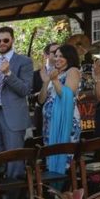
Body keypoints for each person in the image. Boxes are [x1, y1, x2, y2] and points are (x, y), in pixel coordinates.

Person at [0, 26, 34, 178]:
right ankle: (4, 195)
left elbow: (25, 90)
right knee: (1, 160)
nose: (1, 43)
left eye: (5, 40)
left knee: (14, 161)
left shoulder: (24, 61)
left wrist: (8, 73)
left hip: (13, 118)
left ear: (12, 40)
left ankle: (13, 198)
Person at [39, 44, 82, 174]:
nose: (57, 58)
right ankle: (54, 192)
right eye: (56, 55)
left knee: (65, 161)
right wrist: (46, 81)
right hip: (50, 125)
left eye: (61, 56)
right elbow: (41, 100)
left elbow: (67, 96)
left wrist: (56, 81)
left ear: (69, 57)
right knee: (50, 157)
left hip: (66, 122)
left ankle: (65, 190)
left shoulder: (72, 71)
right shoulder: (54, 74)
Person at [32, 42, 60, 136]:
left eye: (60, 51)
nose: (58, 54)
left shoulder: (65, 71)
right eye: (55, 51)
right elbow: (29, 95)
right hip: (42, 116)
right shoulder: (36, 74)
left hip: (61, 114)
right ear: (46, 55)